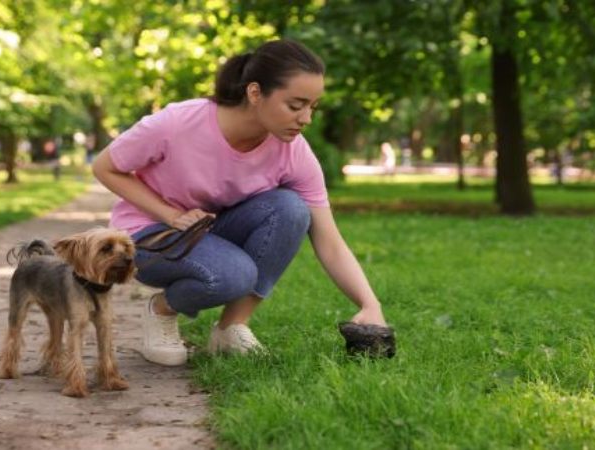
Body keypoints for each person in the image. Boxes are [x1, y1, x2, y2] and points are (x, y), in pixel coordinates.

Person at [92, 39, 387, 366]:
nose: (306, 119)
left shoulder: (293, 151)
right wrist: (171, 214)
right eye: (295, 105)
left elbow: (328, 240)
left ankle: (231, 327)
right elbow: (105, 167)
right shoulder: (179, 122)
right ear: (255, 92)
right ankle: (162, 310)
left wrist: (370, 303)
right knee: (234, 275)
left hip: (205, 233)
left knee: (291, 209)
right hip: (146, 237)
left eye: (312, 107)